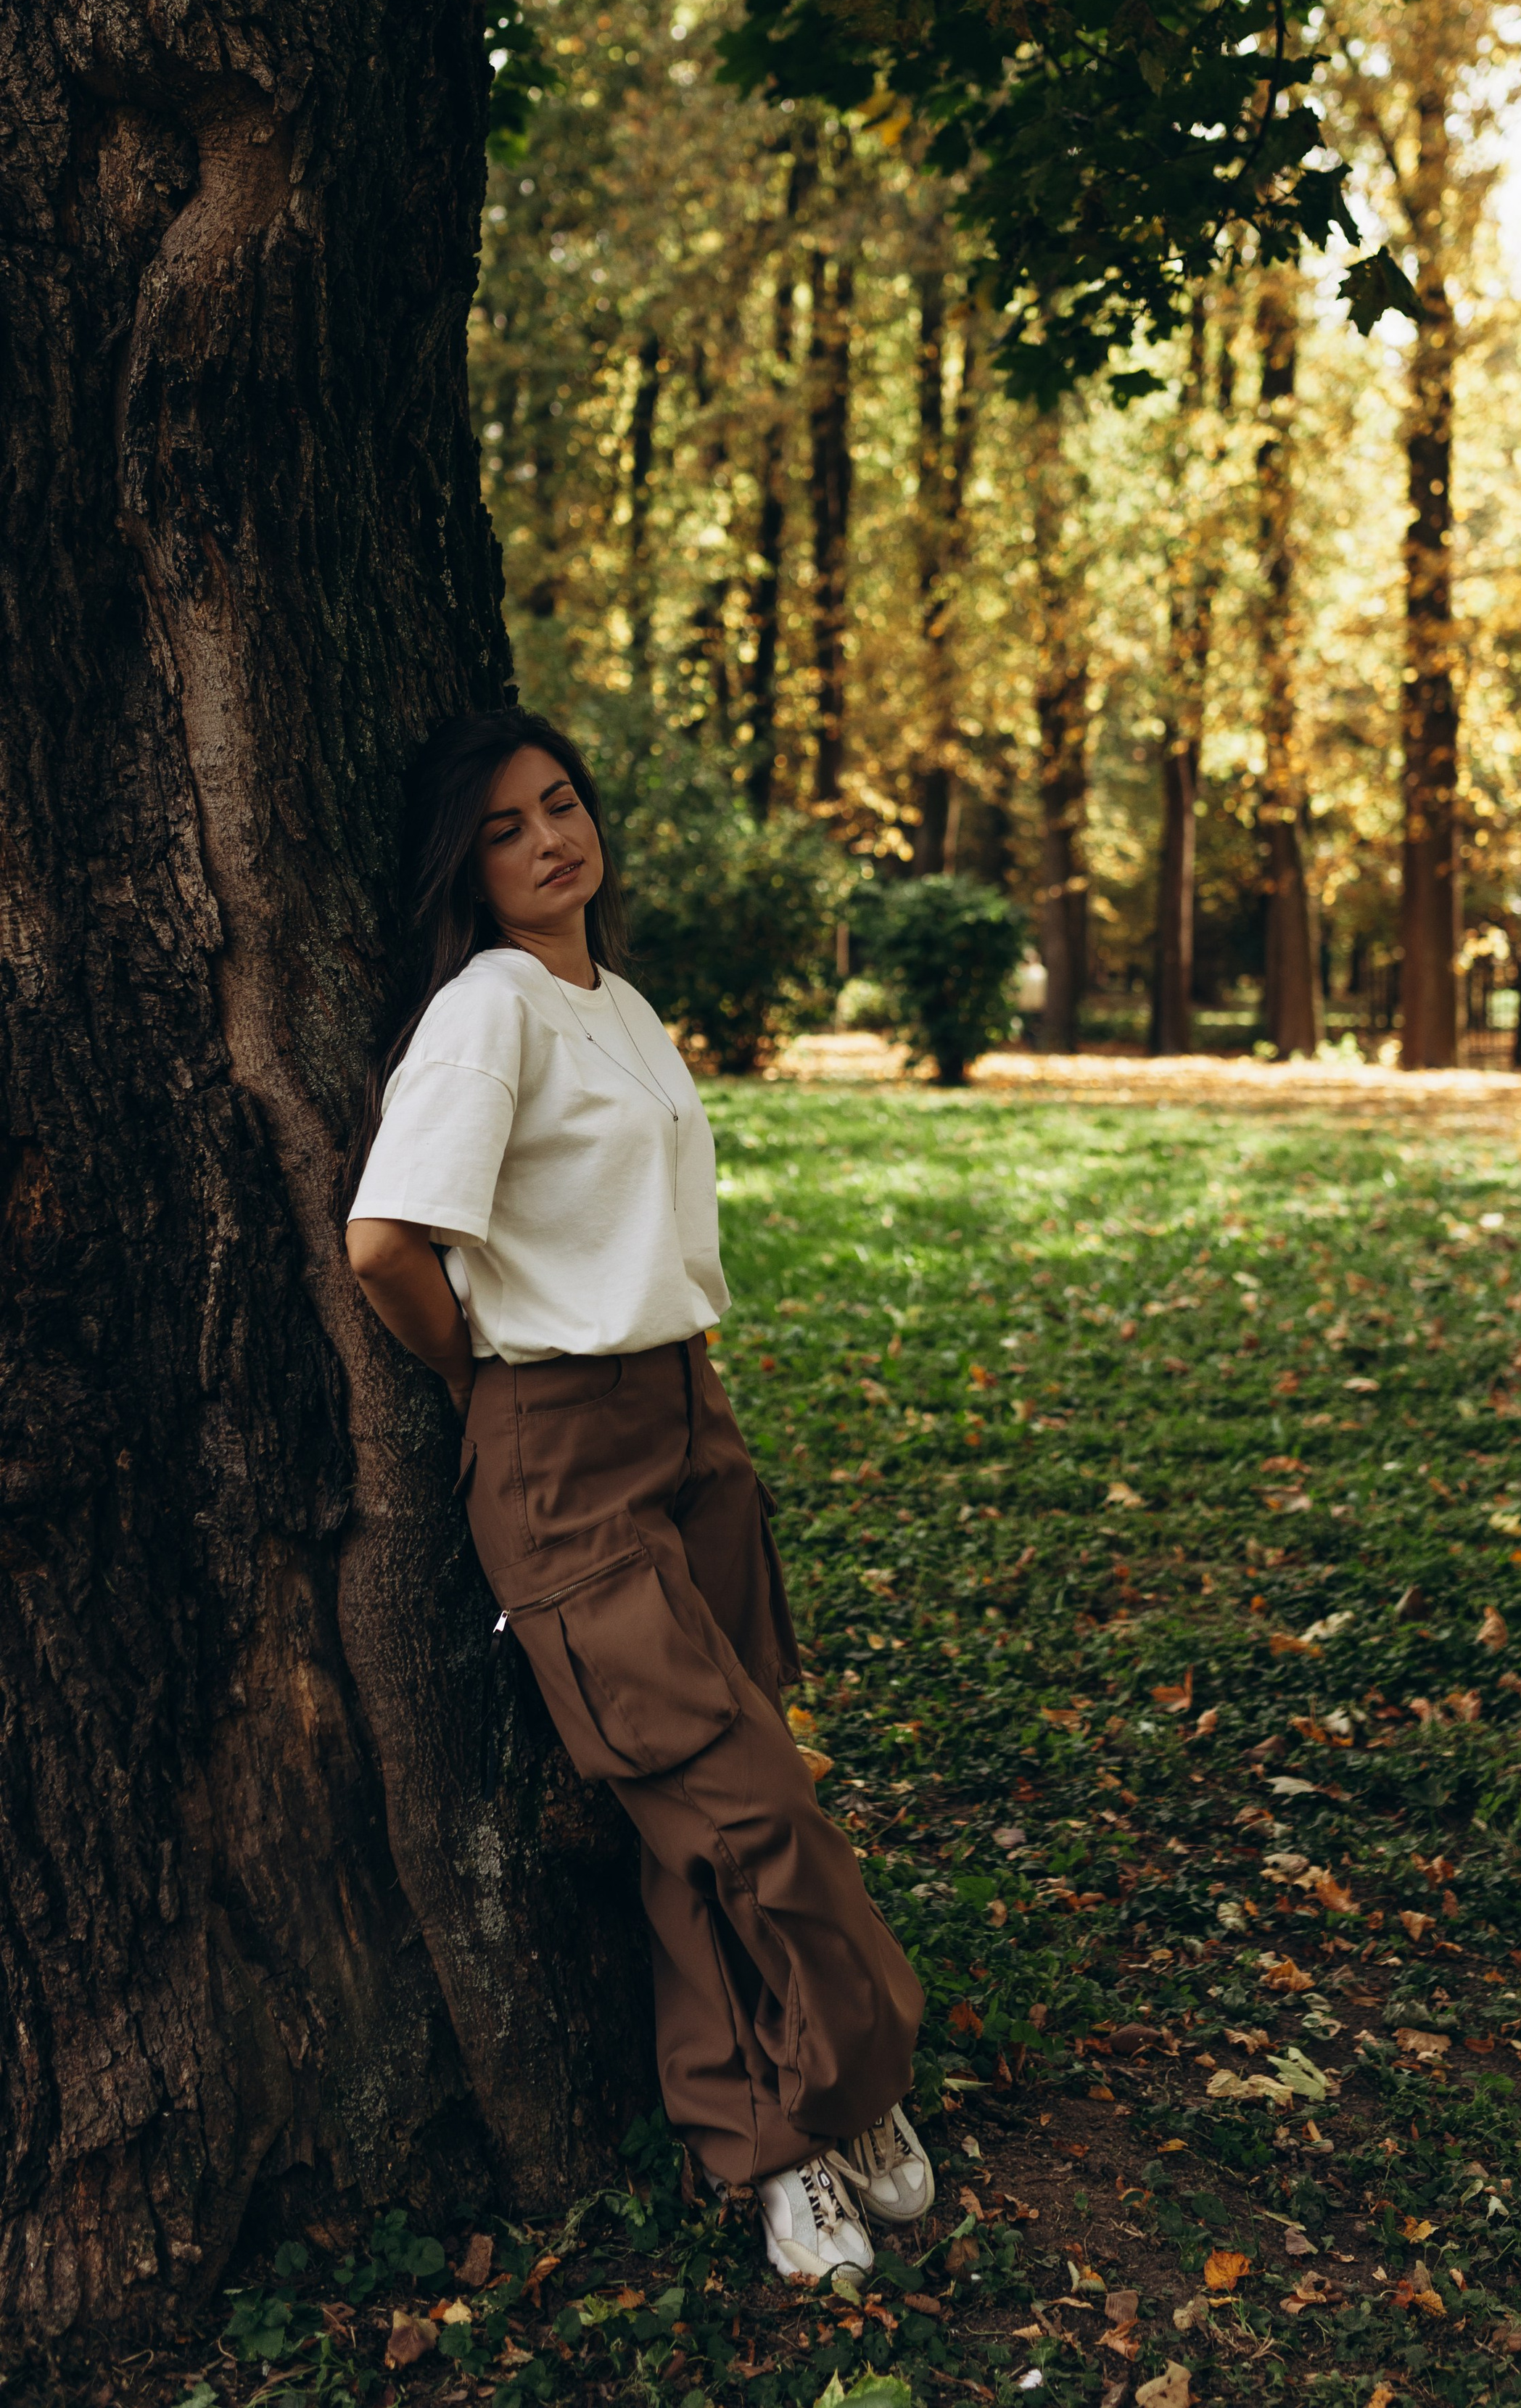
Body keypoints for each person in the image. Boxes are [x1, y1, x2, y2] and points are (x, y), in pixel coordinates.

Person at [345, 707, 929, 2288]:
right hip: (559, 1451)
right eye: (506, 826)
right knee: (749, 1805)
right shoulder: (489, 1012)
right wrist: (480, 1381)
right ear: (467, 867)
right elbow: (386, 1242)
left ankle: (770, 2145)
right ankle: (854, 2079)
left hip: (690, 1424)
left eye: (561, 803)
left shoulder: (618, 999)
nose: (550, 838)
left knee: (690, 1828)